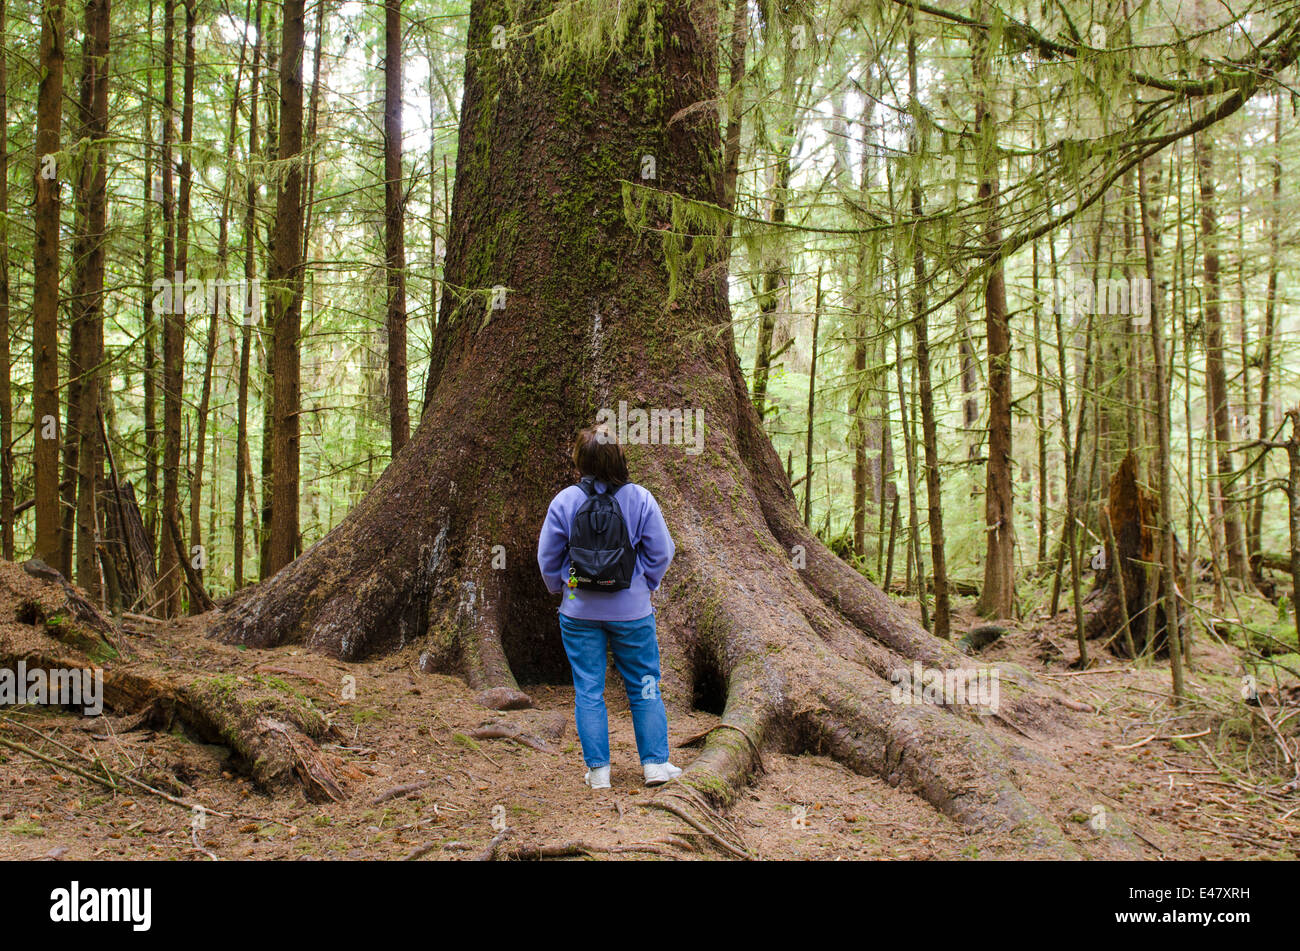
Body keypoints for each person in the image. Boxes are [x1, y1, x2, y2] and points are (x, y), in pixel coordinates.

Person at [537, 424, 682, 790]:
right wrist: (645, 583)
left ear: (580, 461)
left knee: (589, 688)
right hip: (632, 612)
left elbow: (547, 557)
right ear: (619, 457)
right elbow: (663, 551)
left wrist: (562, 588)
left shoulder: (565, 501)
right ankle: (655, 765)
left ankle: (599, 773)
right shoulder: (640, 498)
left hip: (578, 612)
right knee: (645, 683)